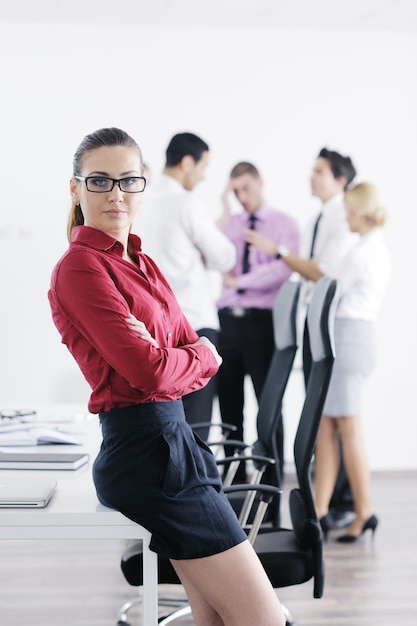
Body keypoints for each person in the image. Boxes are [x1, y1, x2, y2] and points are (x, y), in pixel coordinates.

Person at [48, 127, 285, 626]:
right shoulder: (80, 268)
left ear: (142, 186)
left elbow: (183, 348)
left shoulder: (144, 262)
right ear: (76, 189)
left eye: (128, 181)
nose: (115, 193)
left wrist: (183, 353)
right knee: (263, 619)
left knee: (218, 619)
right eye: (99, 181)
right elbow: (153, 371)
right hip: (147, 456)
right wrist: (191, 355)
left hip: (178, 446)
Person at [245, 147, 358, 524]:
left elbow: (322, 273)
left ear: (340, 180)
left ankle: (340, 502)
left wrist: (278, 252)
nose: (311, 176)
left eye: (319, 171)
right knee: (320, 415)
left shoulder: (344, 217)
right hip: (311, 324)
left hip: (332, 325)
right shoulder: (316, 220)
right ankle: (327, 500)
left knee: (333, 416)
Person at [135, 132, 236, 439]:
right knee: (195, 429)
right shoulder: (185, 202)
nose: (204, 177)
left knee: (161, 424)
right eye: (203, 167)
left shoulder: (138, 202)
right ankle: (193, 488)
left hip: (151, 329)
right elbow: (225, 255)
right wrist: (201, 252)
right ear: (188, 162)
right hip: (193, 326)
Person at [314, 182, 391, 542]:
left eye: (349, 210)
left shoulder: (363, 252)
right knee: (327, 427)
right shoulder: (372, 247)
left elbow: (331, 288)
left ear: (361, 212)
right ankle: (319, 510)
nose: (345, 217)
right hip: (351, 336)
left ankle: (365, 511)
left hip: (350, 337)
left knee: (348, 429)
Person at [217, 161, 300, 481]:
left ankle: (270, 487)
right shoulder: (230, 223)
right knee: (228, 410)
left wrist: (241, 282)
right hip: (227, 323)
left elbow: (283, 269)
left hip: (262, 324)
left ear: (260, 182)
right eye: (234, 190)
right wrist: (223, 207)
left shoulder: (284, 224)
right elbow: (211, 254)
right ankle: (235, 491)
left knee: (269, 410)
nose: (241, 196)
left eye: (245, 188)